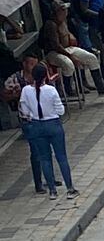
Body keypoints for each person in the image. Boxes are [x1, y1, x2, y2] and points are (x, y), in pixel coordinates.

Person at [20, 63, 75, 199]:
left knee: (45, 158)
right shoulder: (51, 90)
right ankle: (70, 188)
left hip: (37, 125)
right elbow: (61, 110)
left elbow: (24, 111)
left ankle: (52, 191)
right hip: (53, 124)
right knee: (61, 156)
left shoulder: (26, 90)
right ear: (46, 76)